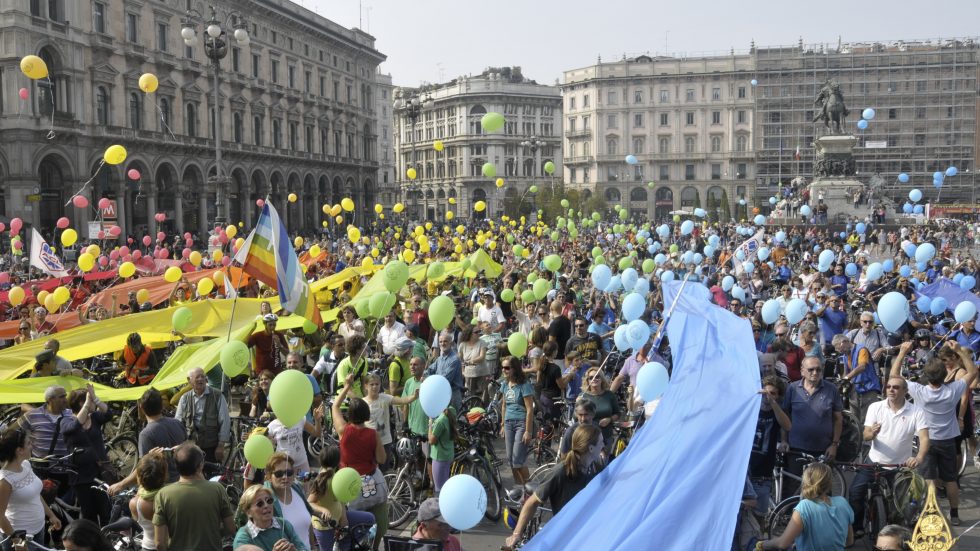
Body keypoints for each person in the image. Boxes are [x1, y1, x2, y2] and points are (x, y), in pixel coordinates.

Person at [890, 340, 977, 525]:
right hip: (948, 440)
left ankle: (932, 514)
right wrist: (960, 351)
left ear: (926, 376)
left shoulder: (919, 390)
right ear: (945, 373)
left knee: (929, 479)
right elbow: (973, 372)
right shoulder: (953, 389)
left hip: (927, 441)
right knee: (951, 480)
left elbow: (893, 375)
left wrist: (903, 352)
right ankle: (954, 515)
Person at [847, 376, 928, 537]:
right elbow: (866, 435)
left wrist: (918, 458)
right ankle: (857, 527)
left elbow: (924, 438)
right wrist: (871, 433)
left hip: (900, 466)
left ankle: (896, 533)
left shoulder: (916, 411)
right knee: (855, 492)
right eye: (889, 386)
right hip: (874, 462)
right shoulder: (876, 407)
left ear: (905, 391)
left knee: (902, 505)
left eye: (896, 387)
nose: (891, 390)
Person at [503, 425, 601, 551]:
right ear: (591, 448)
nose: (603, 445)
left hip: (586, 530)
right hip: (565, 534)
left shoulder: (596, 467)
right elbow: (532, 503)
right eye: (601, 442)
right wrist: (516, 534)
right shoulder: (560, 472)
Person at [331, 375, 387, 551]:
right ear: (367, 414)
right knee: (379, 519)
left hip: (350, 485)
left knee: (352, 524)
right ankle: (375, 547)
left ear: (350, 415)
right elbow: (382, 459)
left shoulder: (343, 431)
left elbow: (335, 406)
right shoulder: (373, 434)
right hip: (372, 482)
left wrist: (347, 386)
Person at [153, 443, 236, 551]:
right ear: (200, 465)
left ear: (176, 465)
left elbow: (159, 543)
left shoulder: (163, 495)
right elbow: (230, 528)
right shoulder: (217, 489)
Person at [781, 357, 843, 495]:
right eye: (811, 369)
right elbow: (785, 416)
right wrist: (784, 440)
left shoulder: (831, 389)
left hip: (822, 451)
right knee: (795, 489)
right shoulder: (792, 389)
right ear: (802, 371)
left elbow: (838, 419)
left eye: (818, 369)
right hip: (796, 449)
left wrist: (834, 445)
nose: (815, 372)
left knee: (822, 490)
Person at [756, 463, 854, 550]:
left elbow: (782, 543)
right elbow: (849, 541)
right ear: (829, 483)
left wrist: (763, 545)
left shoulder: (805, 506)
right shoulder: (843, 503)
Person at [110, 388, 186, 494]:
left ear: (141, 407)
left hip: (164, 489)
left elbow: (143, 469)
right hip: (184, 481)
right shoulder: (177, 423)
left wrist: (120, 485)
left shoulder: (146, 434)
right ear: (162, 405)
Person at [0, 428, 61, 546]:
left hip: (39, 529)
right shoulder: (5, 480)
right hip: (21, 538)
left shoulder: (26, 465)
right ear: (19, 450)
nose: (31, 446)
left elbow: (36, 495)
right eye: (28, 443)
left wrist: (51, 515)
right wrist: (17, 541)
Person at [308, 445, 374, 551]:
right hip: (324, 527)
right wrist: (323, 510)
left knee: (369, 518)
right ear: (338, 460)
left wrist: (344, 518)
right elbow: (309, 503)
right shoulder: (322, 481)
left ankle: (343, 544)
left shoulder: (338, 476)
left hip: (339, 519)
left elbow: (341, 498)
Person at [62, 385, 112, 525]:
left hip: (100, 474)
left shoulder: (95, 417)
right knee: (89, 515)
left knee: (105, 512)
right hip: (81, 478)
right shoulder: (66, 421)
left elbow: (109, 414)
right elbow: (74, 426)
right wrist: (86, 403)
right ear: (81, 403)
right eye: (89, 400)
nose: (93, 405)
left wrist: (95, 399)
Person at [750, 376, 792, 516]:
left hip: (763, 475)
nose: (767, 396)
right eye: (766, 392)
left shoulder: (777, 412)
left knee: (759, 516)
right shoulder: (751, 409)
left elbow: (787, 425)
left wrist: (773, 403)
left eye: (773, 393)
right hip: (746, 472)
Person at [175, 367, 231, 463]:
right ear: (189, 380)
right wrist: (180, 445)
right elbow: (178, 423)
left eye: (203, 377)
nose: (201, 379)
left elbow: (225, 421)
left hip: (212, 447)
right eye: (197, 377)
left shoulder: (217, 395)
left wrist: (221, 446)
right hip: (191, 448)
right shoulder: (184, 398)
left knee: (212, 476)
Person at [363, 373, 417, 469]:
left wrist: (413, 397)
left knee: (384, 469)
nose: (375, 387)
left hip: (385, 441)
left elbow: (402, 400)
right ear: (366, 386)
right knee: (370, 469)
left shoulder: (385, 398)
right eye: (372, 384)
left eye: (377, 384)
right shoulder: (363, 403)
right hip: (369, 442)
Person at [260, 453, 313, 550]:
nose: (285, 477)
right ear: (269, 476)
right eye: (279, 474)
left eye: (289, 472)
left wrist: (313, 547)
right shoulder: (266, 503)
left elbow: (308, 524)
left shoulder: (297, 489)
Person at [233, 485, 308, 551]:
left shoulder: (283, 524)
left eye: (269, 501)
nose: (266, 505)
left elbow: (303, 548)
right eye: (260, 504)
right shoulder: (243, 538)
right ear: (248, 512)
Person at [500, 355, 535, 486]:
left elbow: (529, 409)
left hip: (521, 424)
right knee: (510, 459)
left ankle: (530, 488)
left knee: (518, 460)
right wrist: (502, 424)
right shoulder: (505, 384)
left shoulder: (524, 385)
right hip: (508, 423)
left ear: (514, 368)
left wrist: (528, 431)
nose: (504, 370)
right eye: (503, 367)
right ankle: (519, 488)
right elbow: (503, 405)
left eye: (507, 368)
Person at [833, 333, 881, 423]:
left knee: (867, 419)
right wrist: (841, 383)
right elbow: (846, 373)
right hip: (855, 389)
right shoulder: (845, 355)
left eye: (839, 348)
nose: (839, 351)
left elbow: (862, 366)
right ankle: (856, 436)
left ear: (843, 342)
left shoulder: (862, 350)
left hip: (868, 388)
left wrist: (847, 378)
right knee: (854, 419)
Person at [18, 385, 72, 459]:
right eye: (62, 397)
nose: (66, 400)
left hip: (66, 466)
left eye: (65, 396)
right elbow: (11, 432)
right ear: (50, 399)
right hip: (39, 467)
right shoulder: (32, 415)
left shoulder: (72, 415)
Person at [130, 452, 168, 551]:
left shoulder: (134, 503)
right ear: (164, 475)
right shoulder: (170, 498)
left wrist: (147, 461)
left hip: (147, 547)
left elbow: (143, 485)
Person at [579, 368, 620, 454]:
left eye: (597, 376)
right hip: (588, 437)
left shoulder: (609, 395)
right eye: (591, 377)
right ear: (587, 380)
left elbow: (617, 413)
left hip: (606, 436)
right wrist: (577, 403)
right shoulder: (583, 396)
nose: (594, 379)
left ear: (602, 379)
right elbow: (576, 418)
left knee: (603, 464)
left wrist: (610, 419)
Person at [425, 333, 464, 413]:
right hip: (441, 392)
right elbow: (430, 370)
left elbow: (444, 379)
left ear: (451, 343)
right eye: (440, 342)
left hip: (452, 394)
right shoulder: (440, 358)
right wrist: (424, 376)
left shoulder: (454, 360)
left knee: (454, 420)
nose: (443, 343)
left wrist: (430, 380)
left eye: (445, 341)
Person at [427, 404, 456, 493]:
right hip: (448, 455)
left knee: (439, 489)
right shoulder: (452, 410)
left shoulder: (440, 421)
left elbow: (431, 440)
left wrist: (430, 425)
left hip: (439, 458)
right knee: (445, 484)